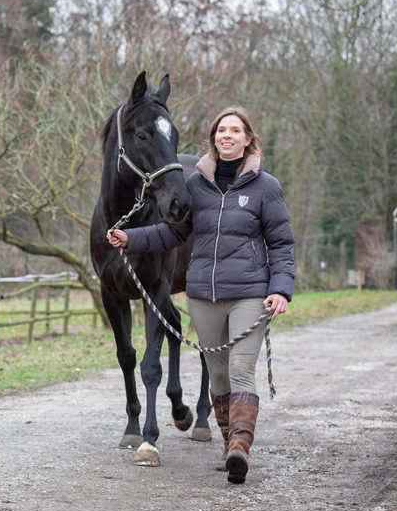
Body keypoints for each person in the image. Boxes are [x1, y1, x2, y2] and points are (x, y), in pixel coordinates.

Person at [106, 106, 295, 484]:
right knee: (219, 373)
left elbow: (281, 243)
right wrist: (131, 237)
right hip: (204, 296)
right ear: (214, 138)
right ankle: (230, 445)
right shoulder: (195, 186)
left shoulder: (266, 187)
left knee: (242, 368)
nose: (227, 135)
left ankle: (240, 445)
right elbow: (171, 235)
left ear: (247, 139)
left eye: (235, 130)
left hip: (249, 293)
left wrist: (280, 289)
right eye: (221, 130)